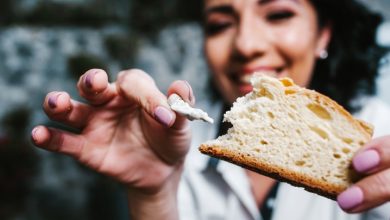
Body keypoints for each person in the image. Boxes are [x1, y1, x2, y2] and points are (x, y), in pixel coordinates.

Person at [31, 0, 390, 219]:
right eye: (220, 24)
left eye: (278, 14)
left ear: (323, 35)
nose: (246, 45)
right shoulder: (173, 145)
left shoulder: (377, 134)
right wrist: (153, 194)